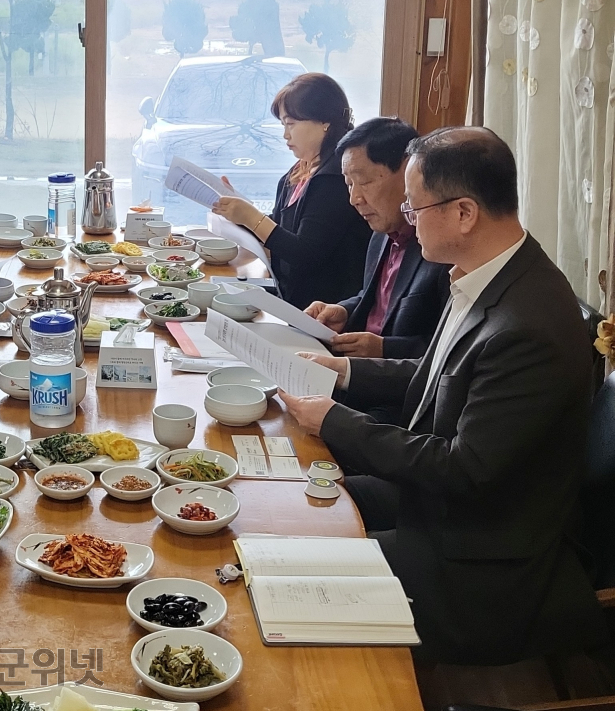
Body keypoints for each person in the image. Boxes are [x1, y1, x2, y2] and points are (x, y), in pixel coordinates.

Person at [280, 127, 607, 665]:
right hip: (441, 510)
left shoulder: (527, 325)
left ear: (463, 213)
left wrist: (335, 422)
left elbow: (465, 470)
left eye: (414, 209)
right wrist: (344, 371)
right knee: (295, 505)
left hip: (481, 563)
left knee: (302, 574)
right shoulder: (489, 275)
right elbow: (436, 377)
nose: (407, 221)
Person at [212, 72, 371, 311]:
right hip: (290, 297)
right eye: (283, 124)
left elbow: (305, 254)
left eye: (291, 124)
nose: (285, 134)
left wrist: (252, 218)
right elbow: (279, 233)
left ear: (324, 122)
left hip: (321, 309)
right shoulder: (299, 170)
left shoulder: (335, 177)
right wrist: (238, 211)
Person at [305, 117, 450, 363]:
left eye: (365, 182)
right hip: (354, 367)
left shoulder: (441, 246)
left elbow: (450, 349)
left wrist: (385, 349)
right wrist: (343, 311)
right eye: (349, 184)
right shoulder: (380, 234)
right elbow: (375, 298)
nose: (354, 198)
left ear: (408, 171)